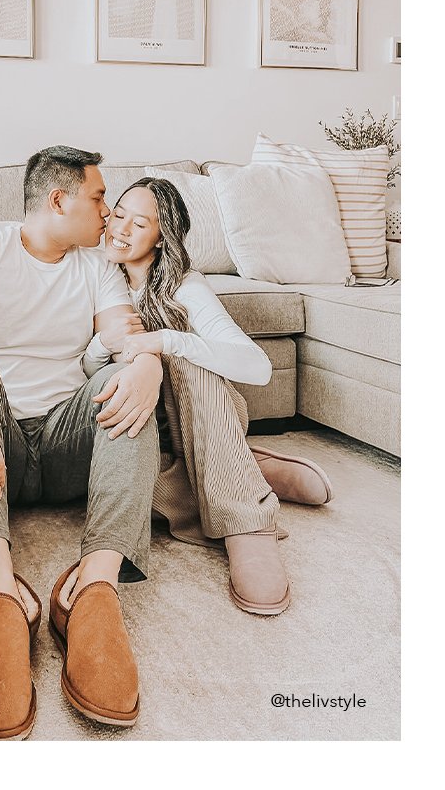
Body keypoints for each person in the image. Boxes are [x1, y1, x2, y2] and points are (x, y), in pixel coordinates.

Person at [0, 147, 162, 740]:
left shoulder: (97, 267)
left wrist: (147, 362)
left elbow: (121, 334)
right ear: (59, 198)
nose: (108, 213)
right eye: (99, 198)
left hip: (64, 443)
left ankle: (93, 589)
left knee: (123, 378)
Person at [82, 177, 334, 616]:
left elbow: (256, 365)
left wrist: (168, 341)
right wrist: (103, 344)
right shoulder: (92, 275)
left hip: (201, 412)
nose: (120, 229)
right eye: (118, 215)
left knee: (185, 359)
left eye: (139, 224)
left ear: (162, 239)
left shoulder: (185, 287)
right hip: (147, 438)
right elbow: (83, 374)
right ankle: (248, 468)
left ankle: (246, 522)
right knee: (129, 484)